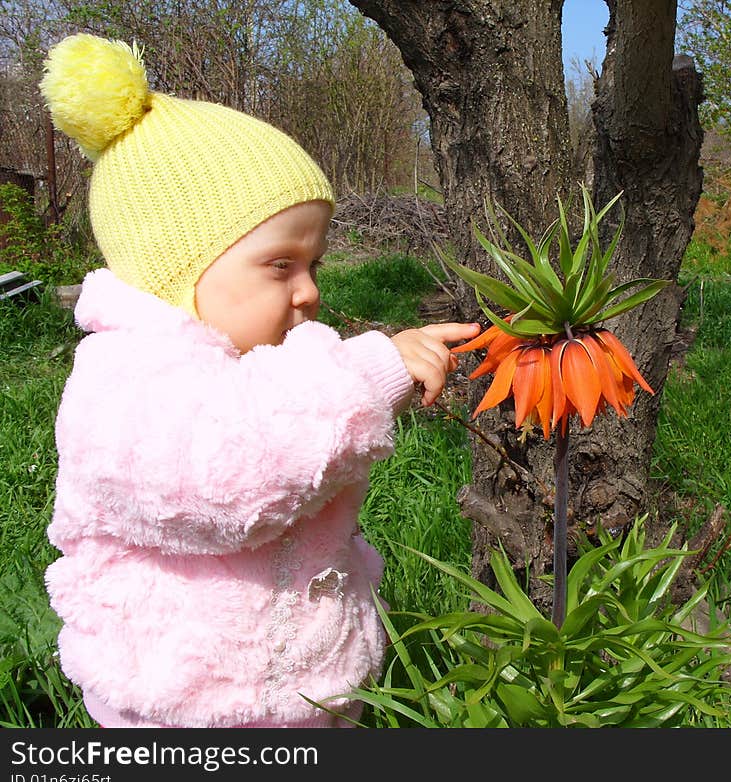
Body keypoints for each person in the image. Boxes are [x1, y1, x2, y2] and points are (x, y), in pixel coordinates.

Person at [39, 32, 479, 728]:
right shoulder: (126, 383)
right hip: (182, 713)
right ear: (173, 268)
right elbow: (229, 474)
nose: (307, 293)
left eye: (316, 265)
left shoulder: (247, 370)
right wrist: (367, 372)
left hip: (303, 699)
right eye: (280, 265)